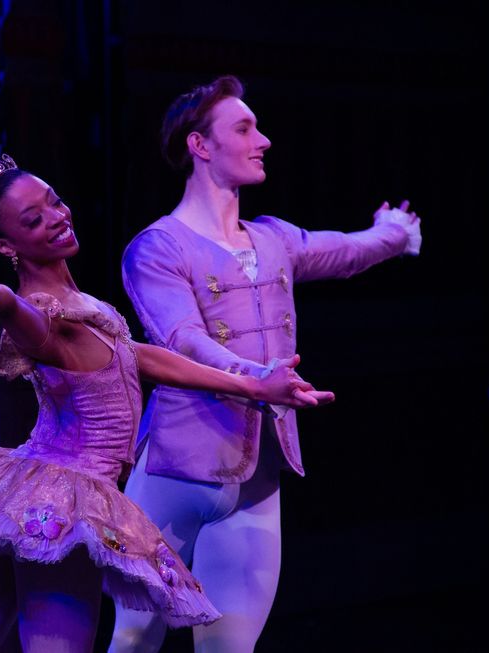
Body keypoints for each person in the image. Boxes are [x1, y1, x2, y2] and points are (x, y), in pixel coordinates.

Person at [0, 151, 335, 653]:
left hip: (20, 495)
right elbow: (1, 301)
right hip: (61, 505)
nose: (58, 217)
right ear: (4, 245)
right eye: (34, 220)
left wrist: (256, 386)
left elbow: (146, 358)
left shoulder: (89, 308)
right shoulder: (41, 315)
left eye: (55, 201)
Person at [108, 76, 422, 653]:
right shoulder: (158, 247)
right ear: (201, 146)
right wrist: (259, 379)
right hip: (177, 468)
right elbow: (182, 339)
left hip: (256, 476)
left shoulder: (273, 239)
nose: (265, 140)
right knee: (133, 638)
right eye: (245, 128)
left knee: (231, 645)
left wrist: (391, 233)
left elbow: (345, 251)